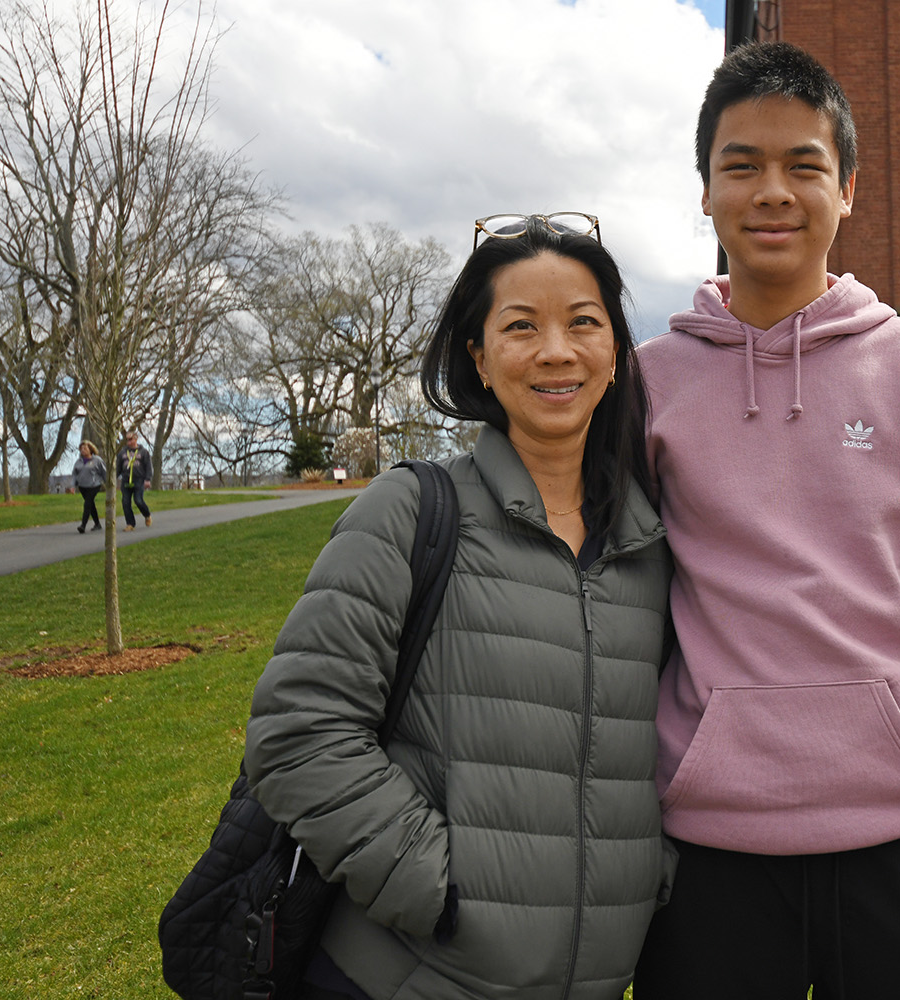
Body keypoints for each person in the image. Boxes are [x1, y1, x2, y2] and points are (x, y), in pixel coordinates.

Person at [633, 42, 900, 999]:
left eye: (803, 166)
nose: (772, 191)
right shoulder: (649, 384)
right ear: (705, 191)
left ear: (849, 188)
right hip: (708, 848)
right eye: (741, 165)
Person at [244, 213, 674, 1000]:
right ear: (478, 355)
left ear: (615, 351)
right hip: (406, 976)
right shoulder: (410, 511)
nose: (555, 351)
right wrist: (436, 888)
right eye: (520, 327)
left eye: (584, 323)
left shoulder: (652, 547)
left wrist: (654, 878)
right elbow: (300, 730)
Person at [114, 430, 153, 531]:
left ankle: (147, 515)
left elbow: (148, 466)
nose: (128, 442)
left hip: (138, 480)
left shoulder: (143, 452)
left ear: (136, 438)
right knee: (125, 502)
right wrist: (113, 479)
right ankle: (130, 524)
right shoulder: (122, 453)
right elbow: (118, 468)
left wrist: (147, 479)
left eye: (130, 439)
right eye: (127, 440)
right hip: (126, 481)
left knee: (138, 500)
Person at [71, 441, 107, 533]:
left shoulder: (97, 460)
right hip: (82, 486)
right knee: (91, 505)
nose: (83, 450)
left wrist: (108, 484)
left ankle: (83, 525)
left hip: (94, 485)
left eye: (85, 448)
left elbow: (104, 472)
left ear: (90, 449)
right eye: (81, 449)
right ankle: (97, 524)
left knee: (87, 504)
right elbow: (74, 474)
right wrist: (73, 486)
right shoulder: (78, 462)